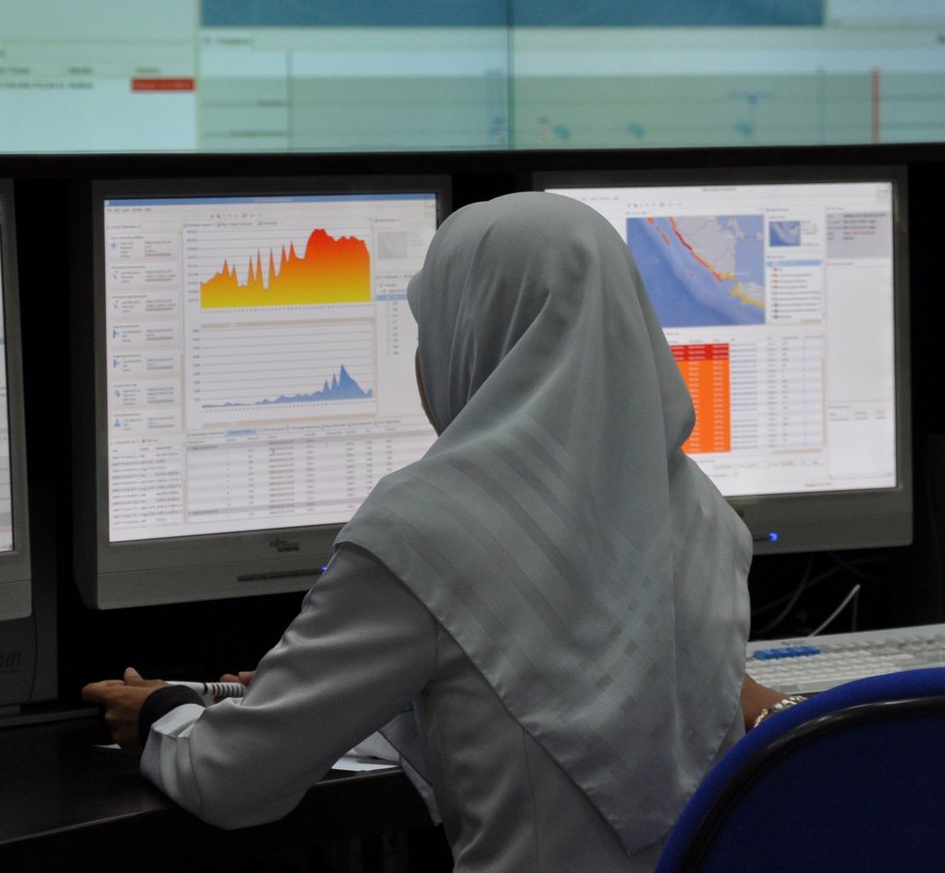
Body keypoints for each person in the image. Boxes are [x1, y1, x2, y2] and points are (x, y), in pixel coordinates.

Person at [83, 192, 753, 869]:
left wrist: (161, 716)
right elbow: (572, 715)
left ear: (482, 335)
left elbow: (231, 780)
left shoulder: (426, 528)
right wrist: (318, 695)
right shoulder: (702, 513)